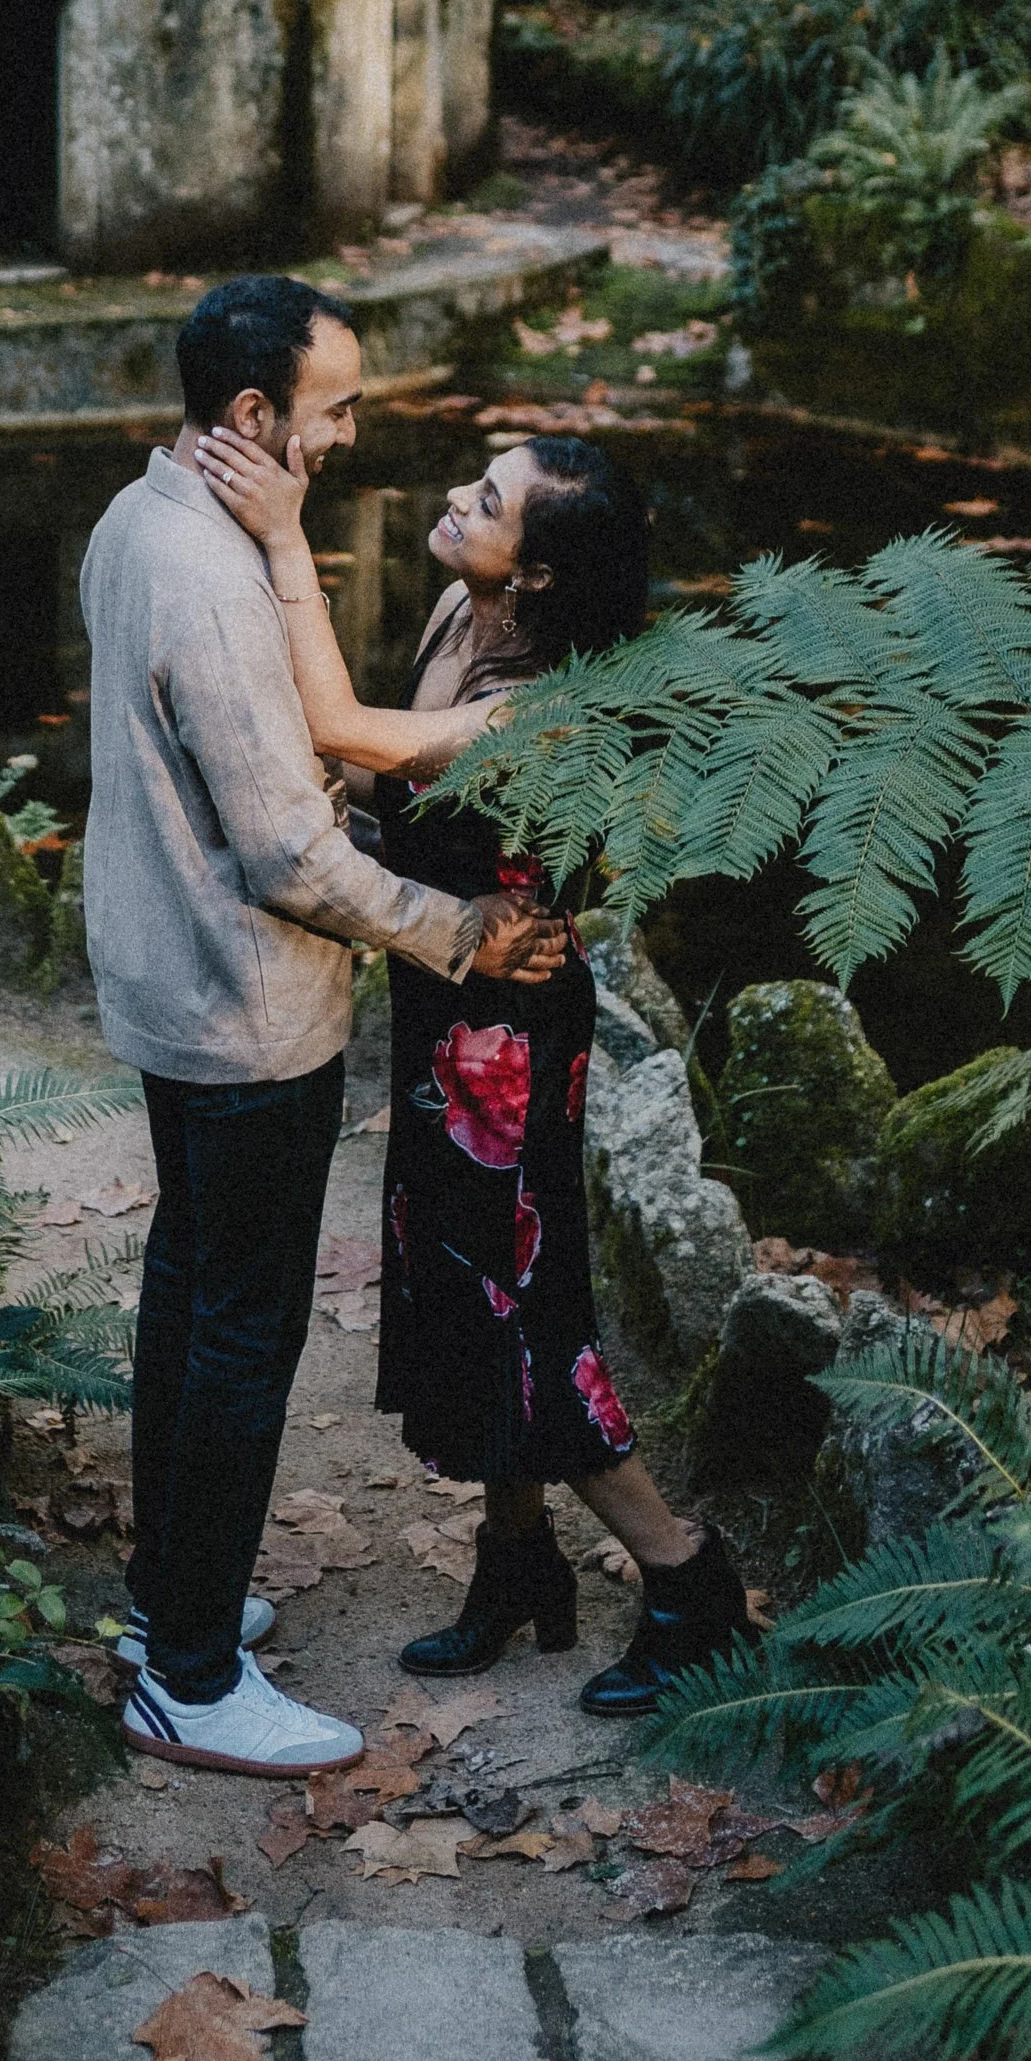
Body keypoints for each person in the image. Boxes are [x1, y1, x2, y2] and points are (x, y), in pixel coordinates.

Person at [79, 272, 561, 1780]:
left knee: (188, 1290)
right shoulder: (219, 581)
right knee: (240, 1328)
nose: (351, 432)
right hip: (245, 1011)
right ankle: (196, 1678)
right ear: (252, 416)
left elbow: (250, 773)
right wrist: (460, 934)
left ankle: (174, 1606)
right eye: (334, 405)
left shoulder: (137, 517)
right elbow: (289, 853)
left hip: (173, 991)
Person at [193, 416, 751, 1714]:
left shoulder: (546, 710)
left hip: (511, 1045)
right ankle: (518, 1562)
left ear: (540, 572)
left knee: (530, 1314)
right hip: (451, 1012)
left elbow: (340, 722)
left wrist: (282, 533)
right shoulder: (461, 602)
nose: (457, 495)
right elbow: (362, 763)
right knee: (472, 1300)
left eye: (487, 496)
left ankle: (687, 1577)